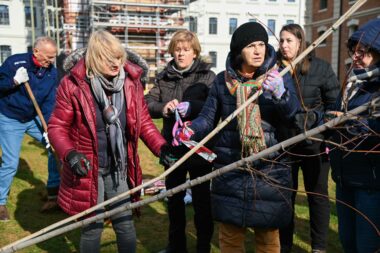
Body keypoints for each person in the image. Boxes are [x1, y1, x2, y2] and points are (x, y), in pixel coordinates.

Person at [173, 22, 300, 253]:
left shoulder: (278, 75)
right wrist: (191, 130)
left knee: (268, 238)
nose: (258, 50)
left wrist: (282, 95)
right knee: (230, 237)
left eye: (261, 44)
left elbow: (293, 116)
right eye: (251, 46)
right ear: (239, 50)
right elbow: (208, 117)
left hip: (268, 168)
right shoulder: (223, 82)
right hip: (231, 167)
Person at [48, 30, 168, 253]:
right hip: (87, 167)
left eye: (118, 57)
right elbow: (57, 127)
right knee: (92, 227)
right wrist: (70, 154)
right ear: (94, 58)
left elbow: (144, 122)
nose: (116, 63)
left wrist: (162, 148)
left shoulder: (131, 83)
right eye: (108, 58)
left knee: (125, 223)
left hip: (118, 167)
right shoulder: (72, 85)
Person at [145, 30, 215, 253]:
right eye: (177, 50)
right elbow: (147, 103)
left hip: (199, 147)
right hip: (172, 148)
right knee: (174, 201)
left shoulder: (207, 76)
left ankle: (203, 247)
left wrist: (192, 108)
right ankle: (176, 247)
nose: (181, 54)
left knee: (202, 202)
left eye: (186, 50)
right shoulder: (164, 76)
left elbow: (213, 107)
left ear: (195, 52)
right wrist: (163, 108)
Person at [277, 24, 340, 253]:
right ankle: (284, 246)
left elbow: (335, 105)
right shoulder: (275, 70)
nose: (284, 45)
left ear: (300, 42)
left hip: (315, 145)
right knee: (286, 196)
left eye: (289, 41)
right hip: (285, 145)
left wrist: (320, 128)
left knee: (317, 196)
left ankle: (319, 247)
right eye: (281, 40)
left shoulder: (321, 68)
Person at [326, 18, 380, 253]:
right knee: (348, 242)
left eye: (364, 51)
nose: (356, 56)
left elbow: (375, 127)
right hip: (344, 177)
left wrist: (351, 122)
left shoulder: (377, 89)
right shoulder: (352, 83)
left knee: (366, 247)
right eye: (354, 50)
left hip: (370, 182)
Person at [0, 37, 61, 220]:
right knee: (11, 163)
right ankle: (0, 203)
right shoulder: (15, 63)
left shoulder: (51, 72)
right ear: (36, 52)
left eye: (53, 57)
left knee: (55, 147)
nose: (51, 61)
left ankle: (53, 193)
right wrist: (14, 81)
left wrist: (51, 129)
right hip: (10, 118)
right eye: (48, 57)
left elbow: (50, 102)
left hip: (33, 117)